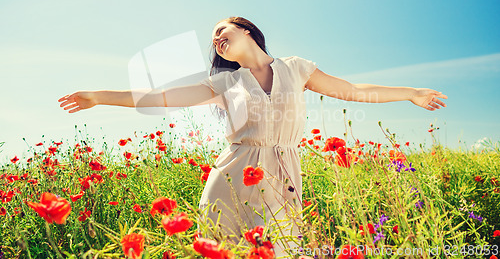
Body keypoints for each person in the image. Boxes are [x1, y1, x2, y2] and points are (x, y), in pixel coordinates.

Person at [58, 16, 447, 258]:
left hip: (281, 174)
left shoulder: (297, 68)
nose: (216, 39)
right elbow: (161, 97)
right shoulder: (224, 82)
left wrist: (410, 93)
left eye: (221, 30)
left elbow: (352, 91)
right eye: (213, 38)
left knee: (278, 249)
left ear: (245, 29)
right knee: (222, 251)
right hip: (231, 176)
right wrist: (99, 97)